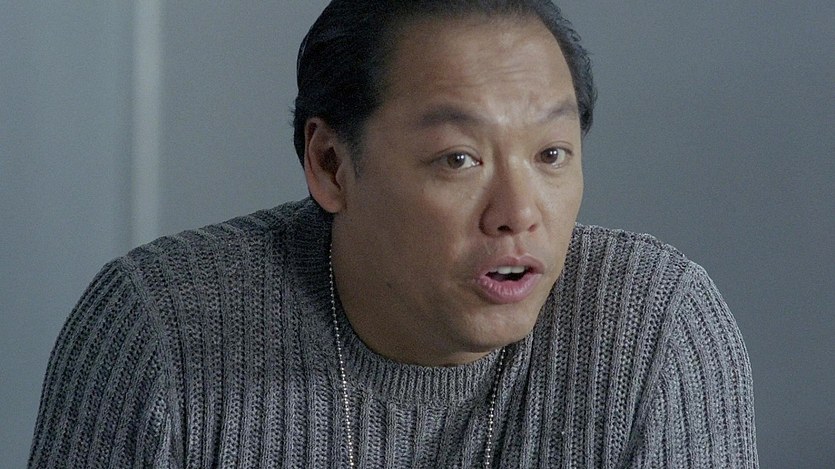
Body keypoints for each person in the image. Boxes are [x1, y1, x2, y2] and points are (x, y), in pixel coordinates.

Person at [29, 1, 758, 467]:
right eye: (459, 159)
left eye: (550, 154)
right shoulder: (159, 327)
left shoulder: (654, 329)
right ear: (330, 164)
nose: (518, 212)